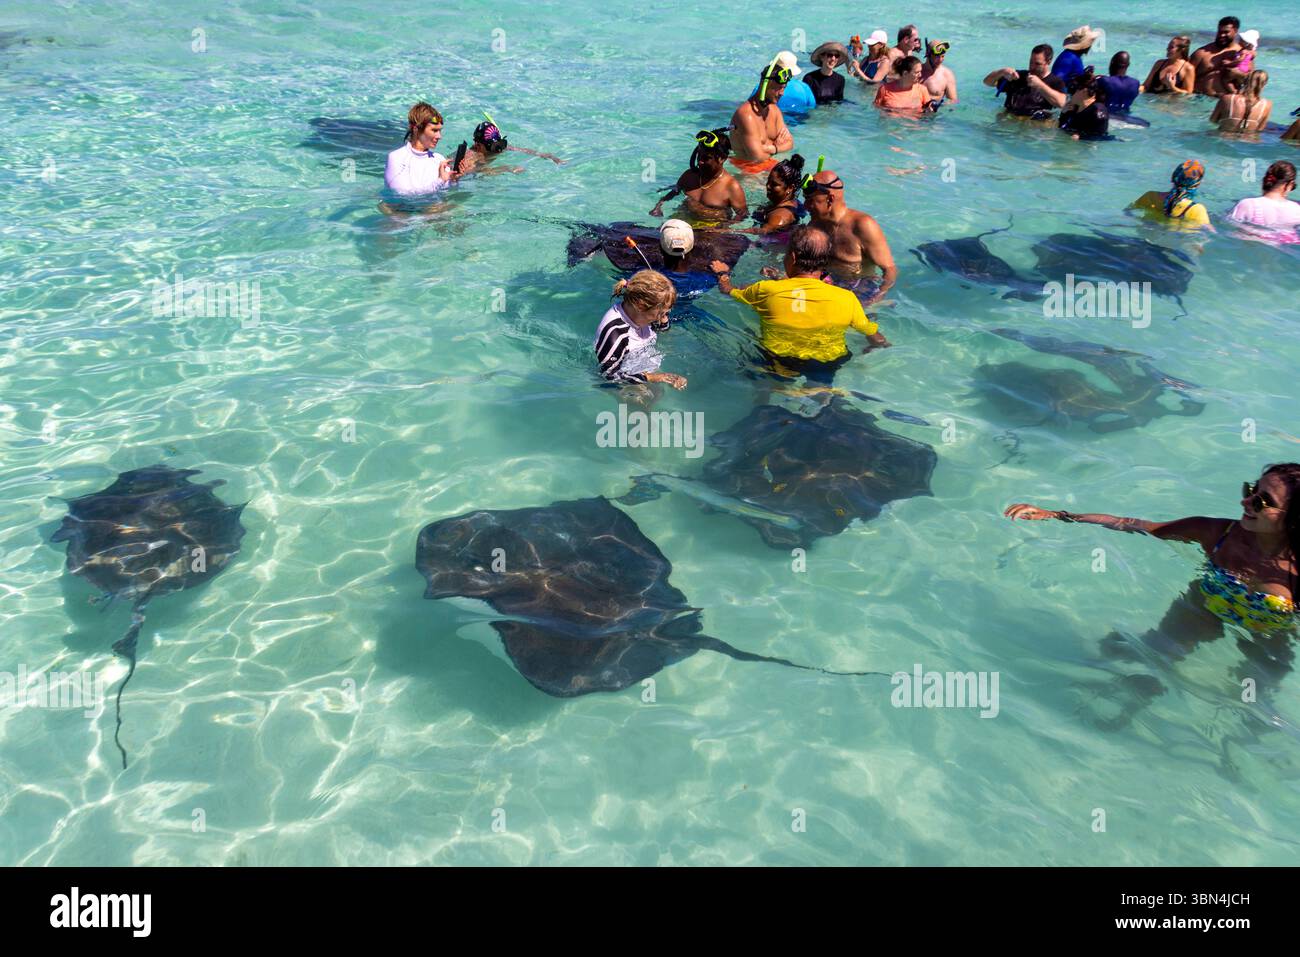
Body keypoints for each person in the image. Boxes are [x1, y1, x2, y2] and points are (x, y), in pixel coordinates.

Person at [1004, 464, 1300, 636]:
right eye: (1250, 491)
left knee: (1257, 705)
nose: (1245, 503)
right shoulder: (1214, 532)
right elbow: (1132, 524)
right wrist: (1057, 514)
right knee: (1147, 661)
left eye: (1262, 501)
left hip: (1268, 633)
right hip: (1205, 605)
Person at [709, 226, 889, 384]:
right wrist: (875, 346)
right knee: (821, 390)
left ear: (792, 257)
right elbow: (876, 337)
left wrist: (722, 274)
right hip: (828, 362)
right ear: (825, 262)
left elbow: (727, 290)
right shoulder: (847, 298)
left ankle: (764, 399)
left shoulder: (766, 290)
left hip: (779, 359)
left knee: (763, 376)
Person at [803, 169, 898, 304]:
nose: (805, 206)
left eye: (810, 200)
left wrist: (877, 299)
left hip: (859, 291)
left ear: (830, 199)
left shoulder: (863, 225)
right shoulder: (815, 223)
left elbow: (889, 270)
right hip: (827, 285)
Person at [594, 271, 686, 389]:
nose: (663, 317)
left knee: (657, 394)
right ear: (641, 306)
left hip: (641, 362)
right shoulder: (616, 333)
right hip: (623, 380)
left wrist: (663, 318)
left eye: (666, 313)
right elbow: (608, 376)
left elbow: (662, 329)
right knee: (642, 403)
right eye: (662, 313)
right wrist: (654, 377)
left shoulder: (645, 314)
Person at [650, 129, 747, 221]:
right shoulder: (689, 176)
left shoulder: (732, 187)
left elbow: (742, 215)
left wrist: (722, 230)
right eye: (699, 155)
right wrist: (658, 206)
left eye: (706, 158)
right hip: (683, 221)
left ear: (722, 159)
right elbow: (673, 192)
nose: (700, 161)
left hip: (711, 231)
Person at [730, 61, 795, 174]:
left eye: (784, 88)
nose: (782, 93)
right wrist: (777, 146)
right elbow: (757, 157)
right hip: (749, 174)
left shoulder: (774, 111)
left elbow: (790, 143)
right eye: (779, 88)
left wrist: (771, 148)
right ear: (765, 84)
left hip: (771, 169)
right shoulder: (746, 115)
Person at [450, 116, 564, 176]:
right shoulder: (472, 156)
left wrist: (550, 156)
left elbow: (525, 151)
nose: (499, 150)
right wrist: (507, 168)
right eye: (494, 147)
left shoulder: (497, 147)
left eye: (500, 144)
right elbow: (483, 172)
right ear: (478, 146)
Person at [384, 102, 452, 195]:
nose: (439, 136)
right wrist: (440, 181)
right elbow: (404, 196)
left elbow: (447, 193)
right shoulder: (396, 158)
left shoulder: (439, 159)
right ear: (416, 129)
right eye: (434, 130)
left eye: (440, 131)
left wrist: (454, 180)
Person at [984, 45, 1067, 119]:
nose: (1032, 66)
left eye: (1037, 64)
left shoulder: (1056, 82)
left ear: (1048, 62)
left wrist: (1040, 85)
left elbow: (1061, 103)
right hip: (1010, 120)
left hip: (1035, 126)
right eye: (1031, 62)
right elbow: (987, 82)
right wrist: (1001, 72)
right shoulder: (1018, 76)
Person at [1130, 159, 1210, 227]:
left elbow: (1128, 212)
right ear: (1197, 183)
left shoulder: (1150, 196)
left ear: (1173, 177)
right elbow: (1207, 233)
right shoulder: (1197, 209)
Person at [745, 154, 807, 240]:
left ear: (790, 188)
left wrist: (727, 231)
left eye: (774, 184)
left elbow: (761, 231)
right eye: (768, 181)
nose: (768, 186)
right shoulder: (790, 201)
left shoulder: (780, 218)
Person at [1228, 160, 1300, 229]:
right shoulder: (1297, 210)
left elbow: (1228, 223)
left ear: (1264, 180)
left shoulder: (1248, 204)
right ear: (1289, 185)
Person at [748, 50, 816, 115]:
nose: (782, 93)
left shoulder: (764, 86)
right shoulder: (804, 87)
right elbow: (812, 108)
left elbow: (751, 105)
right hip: (800, 120)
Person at [1191, 16, 1243, 96]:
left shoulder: (1242, 54)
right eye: (1219, 32)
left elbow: (1251, 80)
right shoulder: (1202, 53)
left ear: (1235, 31)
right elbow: (1185, 75)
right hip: (1200, 98)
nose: (1222, 35)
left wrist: (1237, 73)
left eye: (1226, 32)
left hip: (1225, 102)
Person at [1210, 69, 1272, 133]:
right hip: (1250, 140)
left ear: (1245, 81)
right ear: (1264, 84)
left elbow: (1213, 120)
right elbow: (1260, 129)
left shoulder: (1227, 98)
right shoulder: (1267, 104)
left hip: (1225, 136)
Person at [1058, 68, 1109, 139]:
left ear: (1084, 91)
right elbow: (1062, 128)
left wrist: (1081, 137)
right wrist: (1063, 114)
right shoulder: (1074, 108)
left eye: (1072, 90)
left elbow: (1100, 137)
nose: (1068, 94)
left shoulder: (1098, 112)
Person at [920, 39, 958, 104]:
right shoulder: (916, 71)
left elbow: (953, 100)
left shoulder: (947, 75)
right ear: (927, 54)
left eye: (942, 56)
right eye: (937, 56)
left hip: (935, 113)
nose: (940, 60)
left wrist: (940, 106)